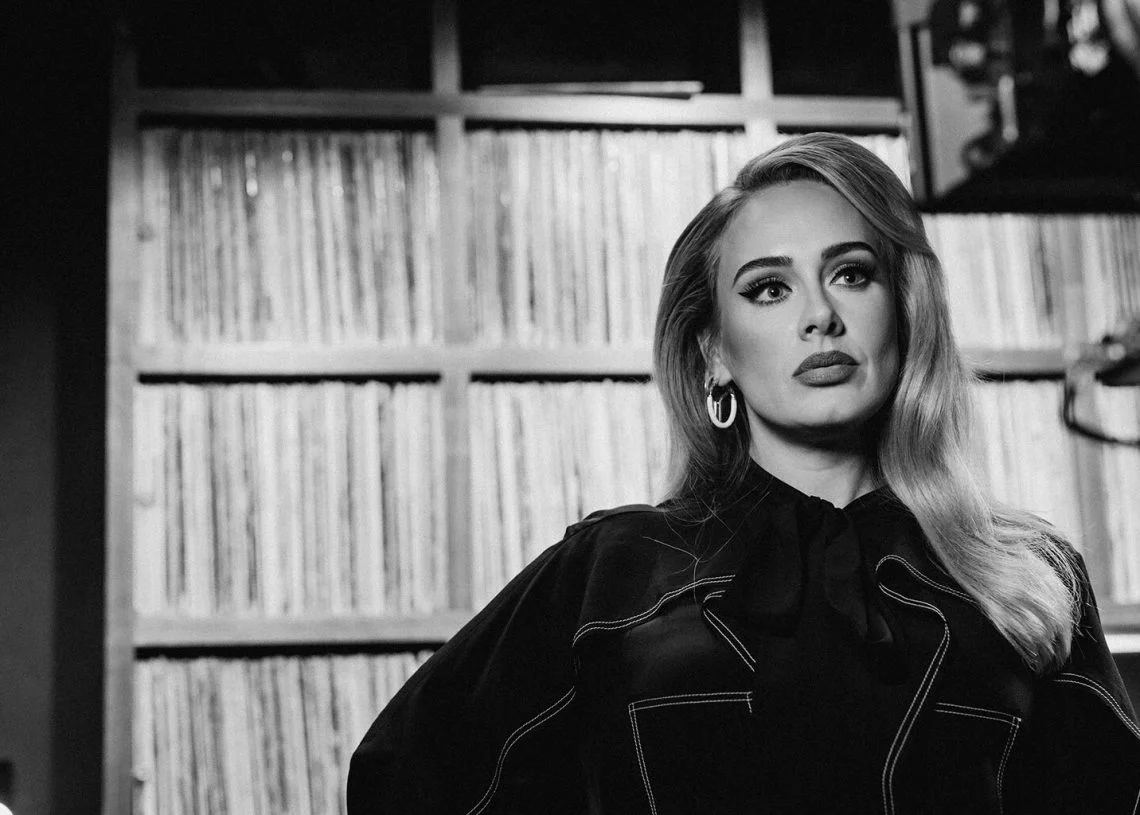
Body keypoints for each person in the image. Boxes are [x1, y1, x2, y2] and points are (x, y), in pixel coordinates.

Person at [347, 133, 1140, 814]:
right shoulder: (612, 571)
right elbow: (400, 777)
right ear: (714, 351)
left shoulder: (1027, 575)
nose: (819, 315)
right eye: (768, 288)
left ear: (904, 311)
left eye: (852, 274)